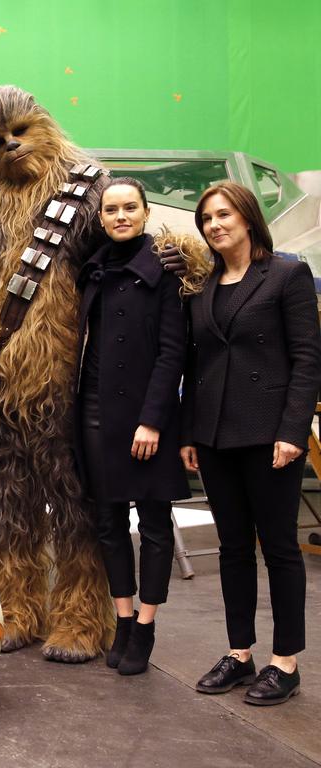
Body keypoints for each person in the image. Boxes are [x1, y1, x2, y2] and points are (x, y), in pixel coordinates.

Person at [181, 181, 321, 705]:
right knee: (233, 548)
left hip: (270, 437)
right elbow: (196, 367)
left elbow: (308, 361)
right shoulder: (203, 286)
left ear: (246, 217)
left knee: (281, 549)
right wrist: (190, 433)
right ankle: (240, 654)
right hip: (216, 436)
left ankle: (285, 663)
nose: (214, 225)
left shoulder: (287, 274)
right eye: (206, 219)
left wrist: (292, 432)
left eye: (222, 215)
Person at [74, 178, 188, 675]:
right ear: (101, 218)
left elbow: (172, 353)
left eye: (130, 208)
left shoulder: (164, 272)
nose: (121, 216)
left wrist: (152, 421)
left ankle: (146, 624)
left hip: (145, 421)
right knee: (108, 522)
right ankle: (122, 618)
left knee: (156, 526)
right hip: (94, 412)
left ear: (145, 213)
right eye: (112, 209)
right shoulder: (93, 271)